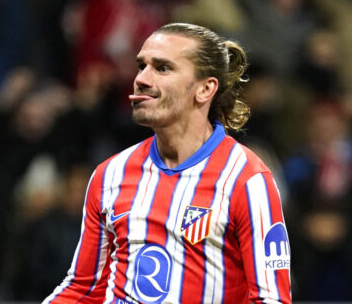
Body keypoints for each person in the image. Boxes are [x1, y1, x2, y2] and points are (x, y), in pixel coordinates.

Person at [44, 23, 292, 303]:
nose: (142, 79)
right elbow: (83, 289)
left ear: (205, 89)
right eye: (142, 66)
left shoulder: (246, 179)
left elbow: (270, 300)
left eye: (162, 68)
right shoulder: (110, 174)